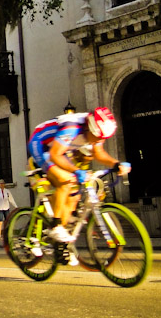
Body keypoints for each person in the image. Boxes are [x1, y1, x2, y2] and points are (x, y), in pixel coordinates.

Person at [28, 107, 131, 258]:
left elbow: (99, 153)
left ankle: (60, 239)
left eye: (104, 138)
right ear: (90, 128)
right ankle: (56, 226)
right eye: (99, 137)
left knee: (73, 192)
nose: (100, 141)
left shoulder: (95, 132)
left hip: (59, 150)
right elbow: (55, 155)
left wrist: (116, 164)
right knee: (65, 180)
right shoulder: (71, 128)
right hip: (41, 145)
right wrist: (76, 171)